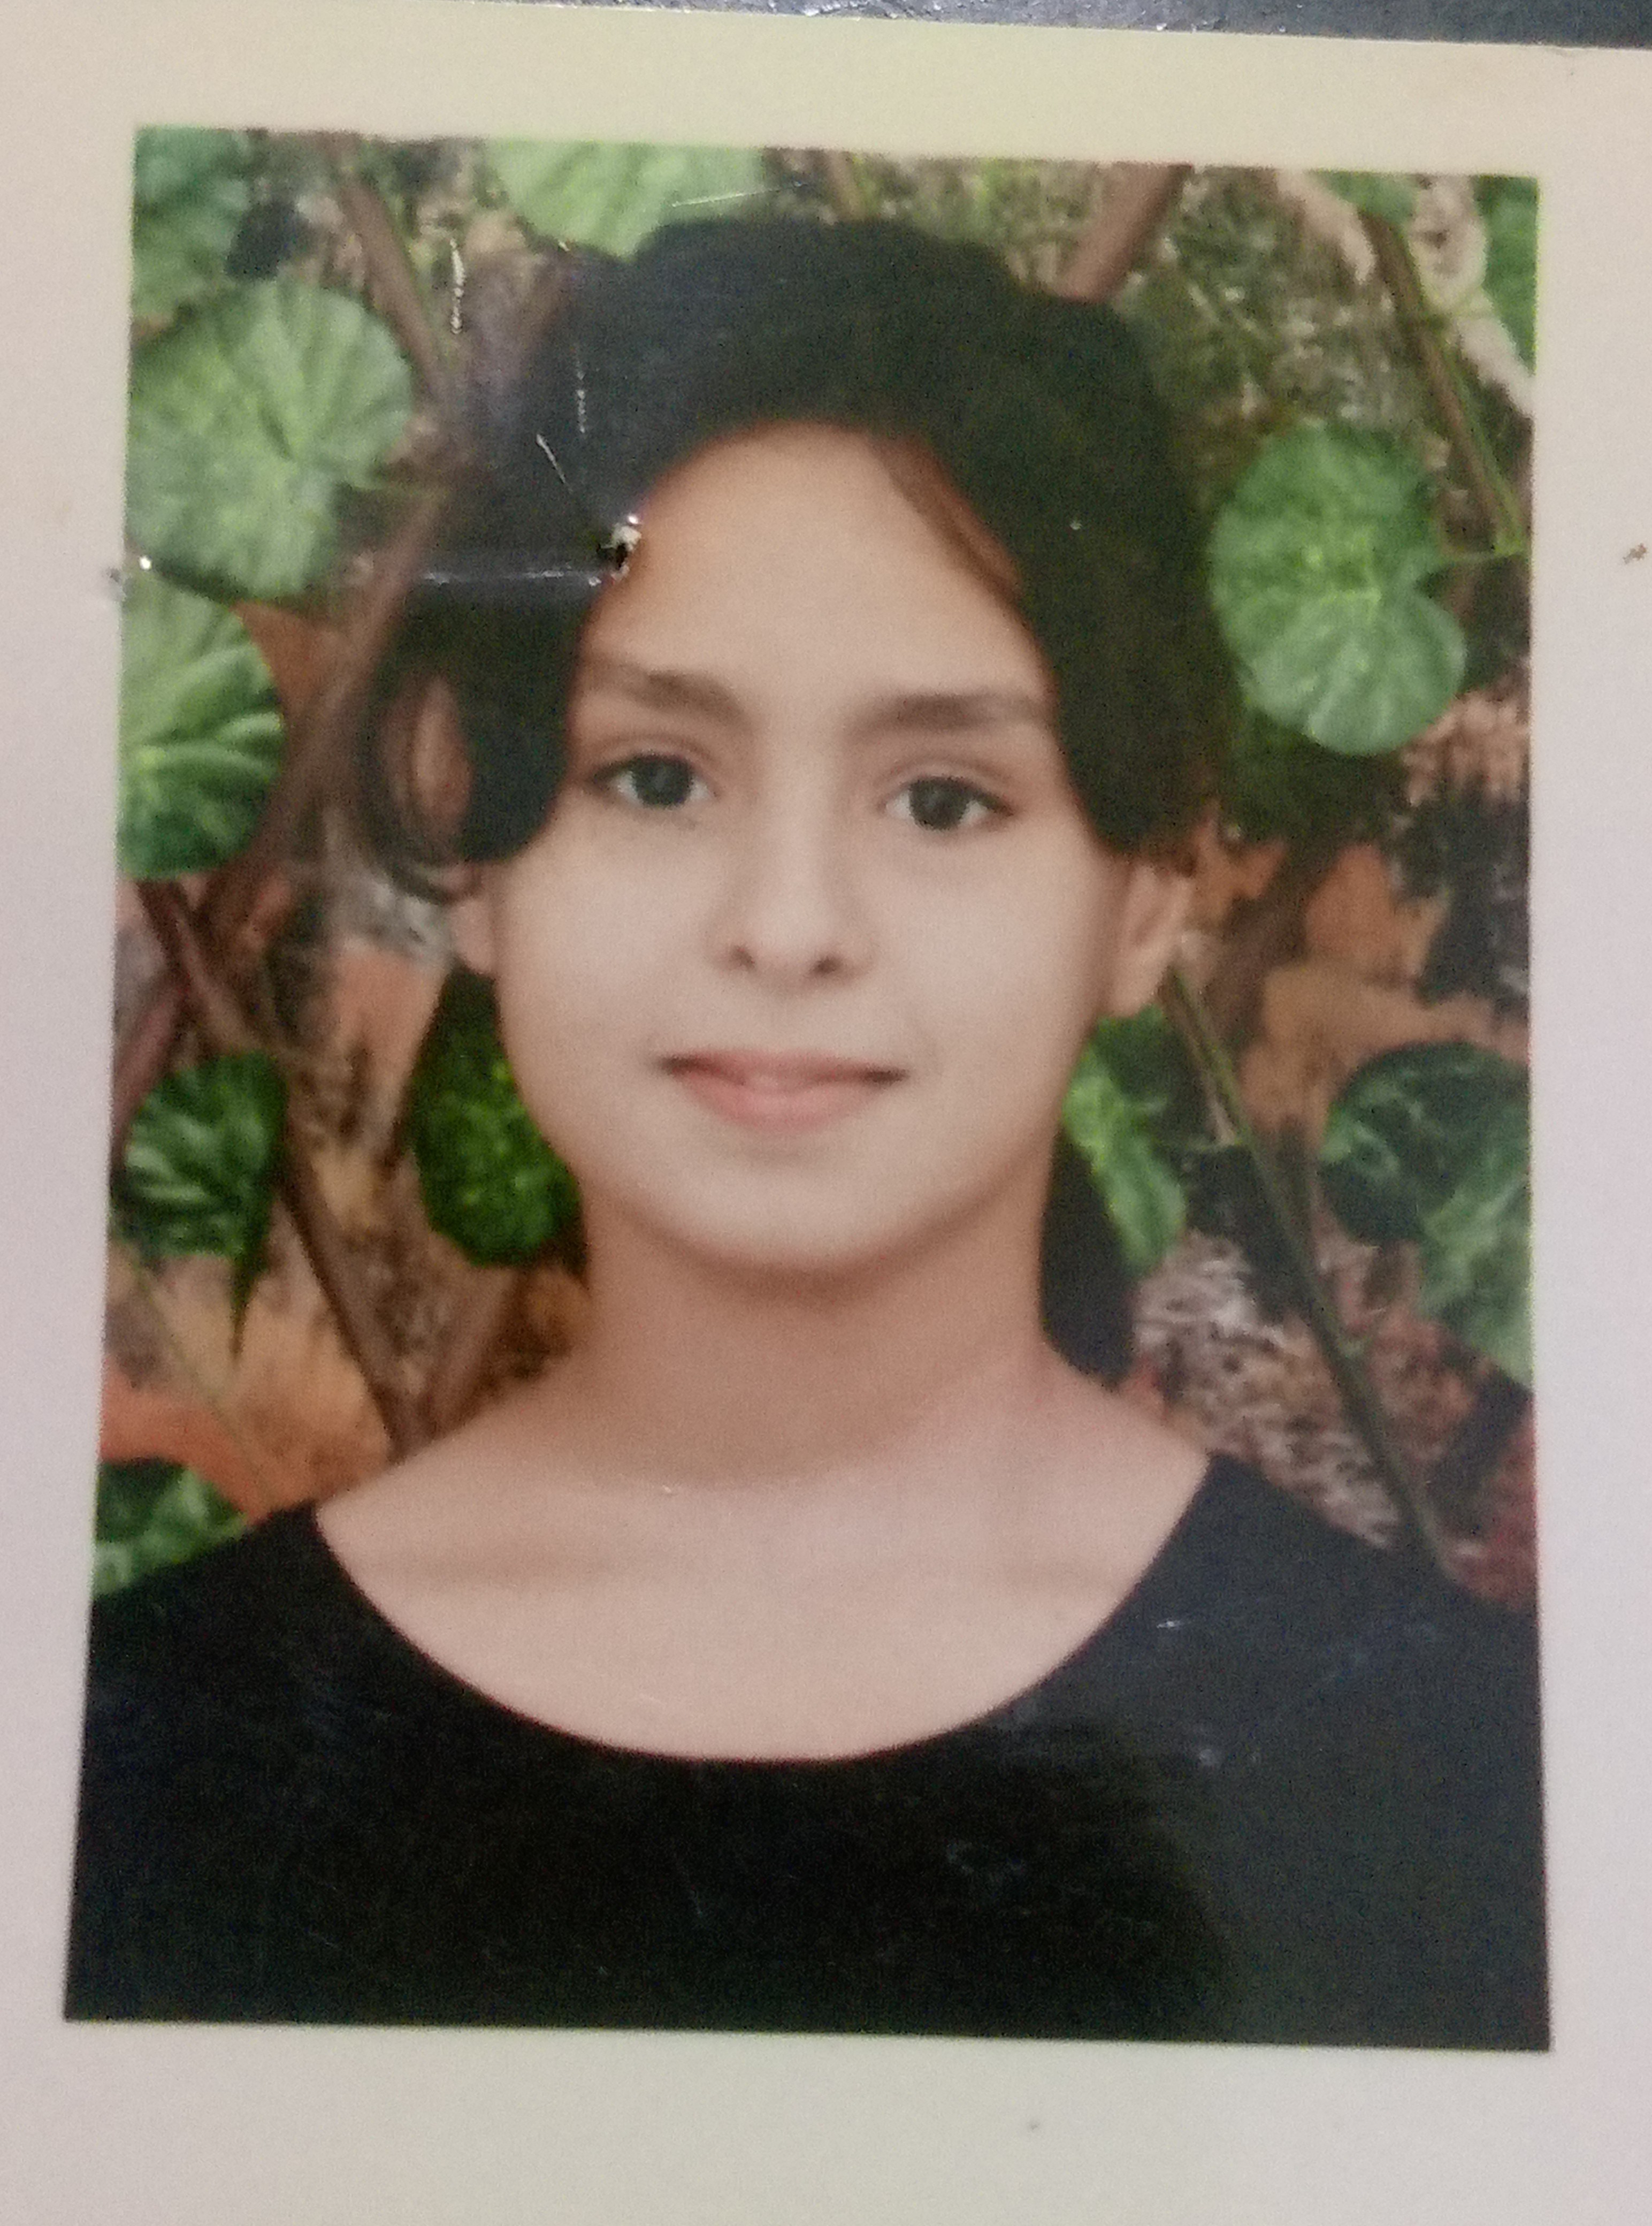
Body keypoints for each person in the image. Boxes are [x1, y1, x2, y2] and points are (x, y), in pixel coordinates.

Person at [67, 215, 1547, 2045]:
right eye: (656, 776)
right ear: (480, 844)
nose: (787, 926)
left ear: (1150, 896)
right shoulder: (144, 1769)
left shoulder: (1472, 1794)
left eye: (943, 800)